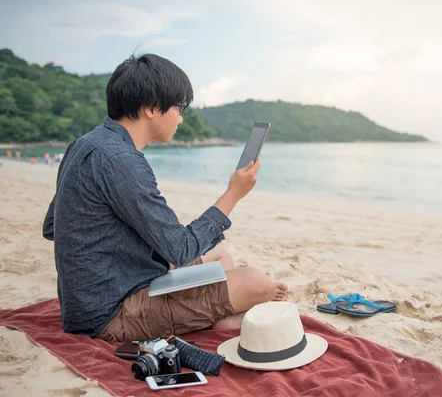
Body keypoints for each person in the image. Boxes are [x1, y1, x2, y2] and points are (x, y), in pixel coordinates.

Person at [42, 53, 287, 343]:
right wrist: (233, 193)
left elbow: (52, 227)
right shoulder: (121, 160)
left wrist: (136, 255)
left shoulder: (84, 144)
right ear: (150, 108)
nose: (181, 118)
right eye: (178, 108)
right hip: (110, 313)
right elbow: (180, 249)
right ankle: (217, 322)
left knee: (221, 256)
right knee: (257, 283)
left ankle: (214, 317)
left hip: (94, 297)